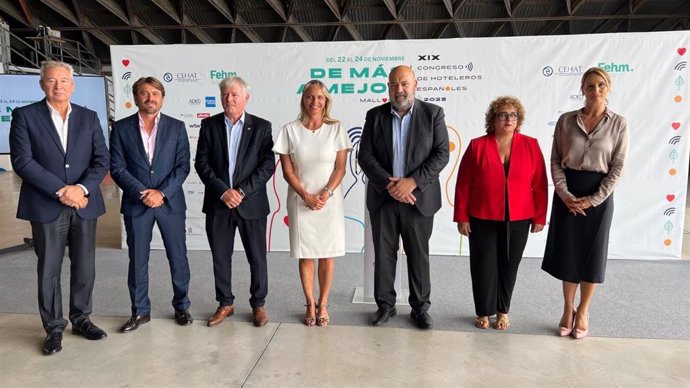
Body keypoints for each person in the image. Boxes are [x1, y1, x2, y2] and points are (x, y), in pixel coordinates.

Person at [9, 60, 109, 355]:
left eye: (64, 80)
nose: (58, 85)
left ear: (72, 85)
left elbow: (101, 160)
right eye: (52, 80)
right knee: (49, 269)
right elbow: (23, 162)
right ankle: (53, 328)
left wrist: (80, 188)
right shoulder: (25, 116)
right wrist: (61, 190)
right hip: (45, 205)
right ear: (42, 85)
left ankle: (81, 319)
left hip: (84, 203)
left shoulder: (89, 118)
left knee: (84, 267)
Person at [358, 65, 449, 330]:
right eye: (394, 84)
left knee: (418, 255)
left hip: (418, 200)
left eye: (404, 83)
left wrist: (411, 183)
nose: (400, 89)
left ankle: (420, 309)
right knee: (384, 255)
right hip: (384, 198)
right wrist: (391, 185)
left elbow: (441, 153)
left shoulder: (433, 114)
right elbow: (365, 155)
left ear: (415, 84)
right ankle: (385, 306)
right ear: (388, 87)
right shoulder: (374, 116)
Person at [542, 67, 630, 339]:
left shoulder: (619, 124)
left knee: (592, 256)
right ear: (582, 88)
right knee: (568, 254)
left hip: (599, 196)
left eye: (601, 85)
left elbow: (618, 167)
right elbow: (556, 160)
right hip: (567, 194)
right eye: (590, 86)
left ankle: (584, 310)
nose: (596, 91)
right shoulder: (566, 121)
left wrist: (593, 200)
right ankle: (567, 309)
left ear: (609, 88)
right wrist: (565, 194)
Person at [454, 96, 548, 331]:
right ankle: (483, 312)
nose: (508, 119)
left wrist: (539, 217)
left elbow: (539, 183)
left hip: (519, 217)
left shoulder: (531, 145)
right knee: (483, 266)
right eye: (503, 115)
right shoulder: (477, 145)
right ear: (493, 119)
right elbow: (463, 183)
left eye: (513, 115)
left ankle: (502, 311)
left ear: (519, 120)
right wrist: (462, 217)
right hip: (482, 216)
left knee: (509, 266)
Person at [110, 76, 193, 332]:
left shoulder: (177, 127)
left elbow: (182, 167)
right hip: (137, 203)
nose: (150, 98)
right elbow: (117, 167)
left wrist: (161, 193)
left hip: (170, 203)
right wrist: (143, 192)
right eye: (144, 93)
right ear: (135, 98)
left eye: (155, 93)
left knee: (177, 257)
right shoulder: (121, 128)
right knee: (137, 260)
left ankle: (182, 306)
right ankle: (140, 311)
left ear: (162, 98)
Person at [194, 76, 275, 327]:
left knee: (257, 257)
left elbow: (267, 165)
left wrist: (240, 191)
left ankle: (258, 304)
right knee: (220, 255)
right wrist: (223, 191)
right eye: (225, 94)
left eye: (235, 94)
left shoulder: (261, 127)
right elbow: (202, 163)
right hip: (219, 203)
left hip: (250, 203)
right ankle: (225, 302)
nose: (229, 99)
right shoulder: (209, 126)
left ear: (246, 97)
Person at [273, 80, 352, 327]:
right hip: (300, 200)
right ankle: (309, 303)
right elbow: (287, 171)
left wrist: (325, 193)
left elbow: (341, 168)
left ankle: (324, 304)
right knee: (306, 255)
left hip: (330, 202)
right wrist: (306, 195)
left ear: (326, 101)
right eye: (309, 97)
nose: (314, 102)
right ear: (303, 100)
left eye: (319, 97)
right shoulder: (289, 130)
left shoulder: (336, 128)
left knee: (327, 256)